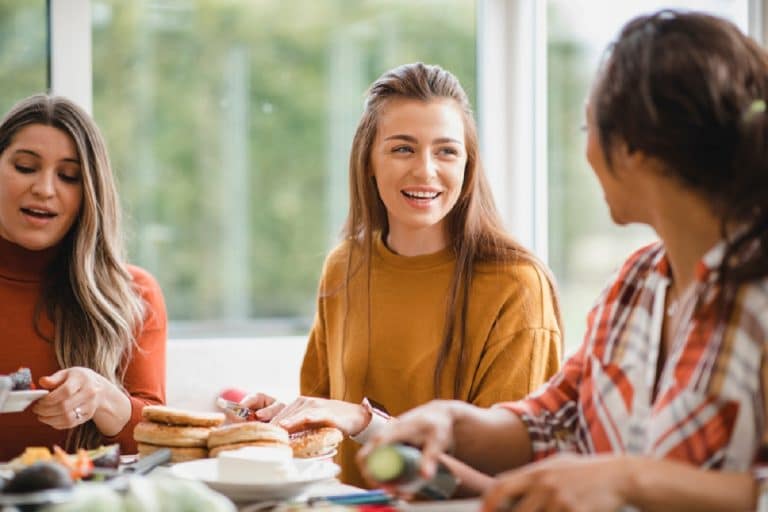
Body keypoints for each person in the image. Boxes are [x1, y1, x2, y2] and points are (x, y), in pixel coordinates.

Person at [359, 10, 768, 510]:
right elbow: (556, 420)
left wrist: (627, 479)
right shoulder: (637, 283)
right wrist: (452, 424)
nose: (587, 151)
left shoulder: (758, 300)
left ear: (638, 147)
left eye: (587, 126)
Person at [241, 62, 563, 487]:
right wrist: (280, 422)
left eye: (446, 151)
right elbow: (331, 441)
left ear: (468, 166)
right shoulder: (345, 267)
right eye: (403, 149)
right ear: (369, 161)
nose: (426, 171)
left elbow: (497, 487)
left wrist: (364, 421)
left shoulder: (516, 285)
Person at [0, 94, 167, 460]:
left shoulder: (134, 294)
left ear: (89, 193)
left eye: (68, 176)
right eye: (26, 167)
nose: (45, 189)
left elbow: (157, 443)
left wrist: (103, 397)